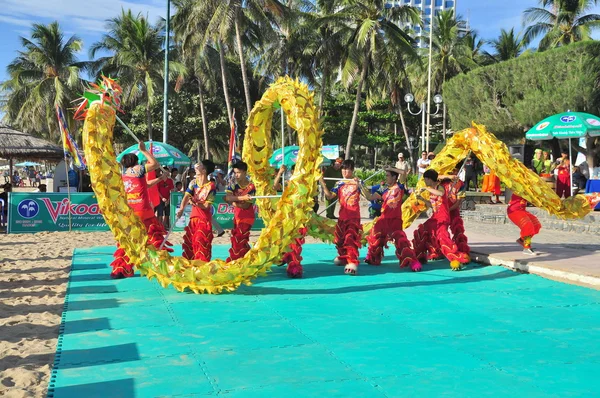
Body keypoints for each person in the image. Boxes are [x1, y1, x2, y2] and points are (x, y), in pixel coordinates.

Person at [111, 141, 172, 279]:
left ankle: (121, 269)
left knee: (127, 241)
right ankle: (161, 267)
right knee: (154, 238)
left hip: (129, 213)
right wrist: (144, 150)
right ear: (135, 161)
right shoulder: (137, 169)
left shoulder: (124, 174)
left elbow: (145, 185)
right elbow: (155, 164)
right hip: (143, 211)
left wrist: (160, 178)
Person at [363, 168, 421, 271]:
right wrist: (360, 186)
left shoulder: (400, 186)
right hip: (383, 219)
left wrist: (390, 168)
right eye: (386, 175)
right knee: (375, 237)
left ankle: (413, 262)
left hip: (395, 220)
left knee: (401, 242)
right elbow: (369, 197)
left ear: (394, 177)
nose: (386, 177)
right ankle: (372, 258)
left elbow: (403, 172)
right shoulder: (383, 189)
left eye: (388, 175)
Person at [413, 169, 470, 270]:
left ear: (429, 179)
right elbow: (433, 205)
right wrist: (422, 199)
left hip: (442, 218)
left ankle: (456, 259)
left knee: (443, 238)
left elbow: (440, 194)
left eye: (425, 179)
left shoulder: (441, 188)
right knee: (421, 232)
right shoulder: (432, 190)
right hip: (435, 218)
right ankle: (420, 257)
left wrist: (426, 188)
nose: (425, 181)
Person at [319, 159, 363, 275]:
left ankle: (352, 262)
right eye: (343, 168)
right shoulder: (339, 183)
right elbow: (329, 197)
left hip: (354, 217)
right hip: (342, 217)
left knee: (350, 239)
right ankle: (344, 257)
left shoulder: (357, 182)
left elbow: (369, 196)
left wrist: (360, 185)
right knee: (339, 240)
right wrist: (323, 184)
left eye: (347, 169)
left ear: (352, 170)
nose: (344, 171)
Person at [176, 160, 217, 261]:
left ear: (204, 170)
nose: (197, 167)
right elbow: (186, 197)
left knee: (200, 242)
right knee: (190, 244)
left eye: (200, 166)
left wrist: (197, 203)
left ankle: (201, 266)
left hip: (204, 219)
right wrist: (181, 209)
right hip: (193, 219)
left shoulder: (211, 186)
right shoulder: (193, 183)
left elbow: (207, 205)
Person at [224, 161, 256, 262]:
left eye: (238, 172)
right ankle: (249, 258)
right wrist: (241, 198)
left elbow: (246, 205)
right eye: (235, 172)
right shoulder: (233, 185)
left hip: (247, 217)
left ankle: (237, 261)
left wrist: (233, 200)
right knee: (239, 240)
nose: (236, 175)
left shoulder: (251, 187)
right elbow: (226, 198)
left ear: (245, 172)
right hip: (237, 216)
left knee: (239, 239)